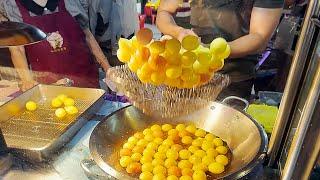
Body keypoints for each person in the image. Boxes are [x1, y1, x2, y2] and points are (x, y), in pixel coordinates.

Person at [156, 0, 284, 99]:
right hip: (180, 72)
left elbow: (259, 36)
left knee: (220, 129)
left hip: (230, 78)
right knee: (173, 128)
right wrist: (178, 32)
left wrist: (212, 52)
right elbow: (164, 12)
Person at [0, 0, 111, 91]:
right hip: (49, 87)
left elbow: (87, 34)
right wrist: (27, 80)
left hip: (86, 79)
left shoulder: (70, 1)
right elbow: (17, 48)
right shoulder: (12, 5)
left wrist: (108, 68)